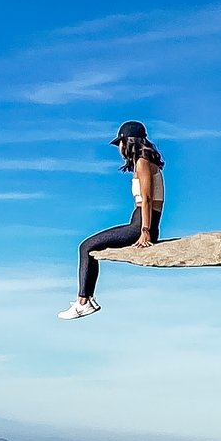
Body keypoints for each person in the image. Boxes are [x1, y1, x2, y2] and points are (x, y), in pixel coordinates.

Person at [60, 120, 164, 319]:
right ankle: (85, 299)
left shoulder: (142, 162)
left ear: (128, 142)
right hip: (141, 220)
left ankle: (84, 301)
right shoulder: (143, 162)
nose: (120, 148)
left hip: (141, 224)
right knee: (89, 247)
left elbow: (148, 198)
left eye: (120, 143)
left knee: (86, 247)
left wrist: (145, 231)